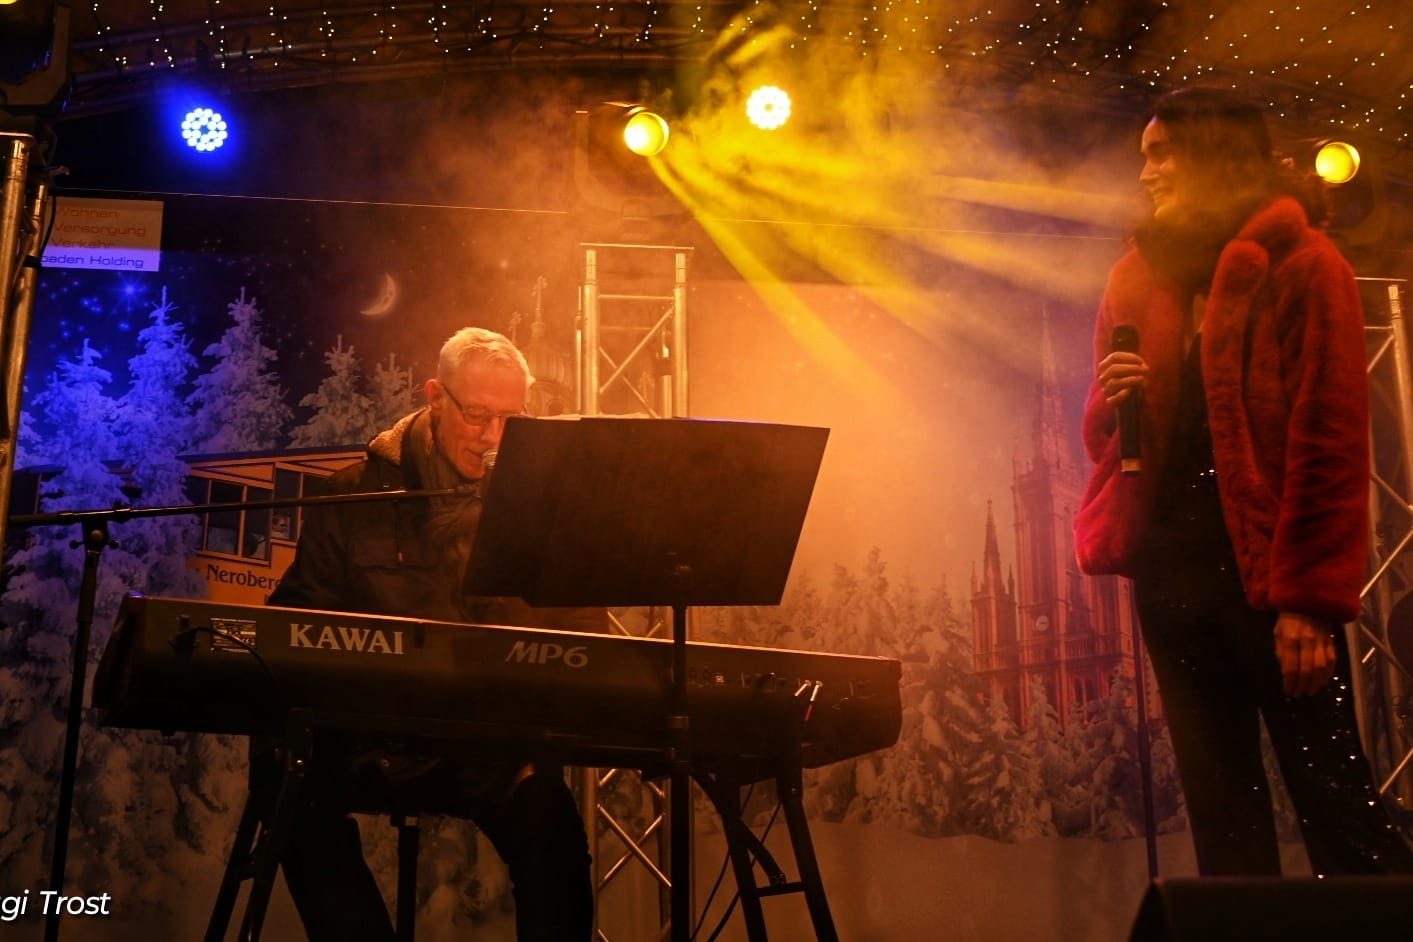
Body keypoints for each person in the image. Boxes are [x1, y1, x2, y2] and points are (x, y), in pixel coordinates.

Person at [1073, 86, 1413, 876]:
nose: (1146, 174)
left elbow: (1328, 441)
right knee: (1220, 813)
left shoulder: (1303, 264)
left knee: (1336, 804)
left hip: (1268, 582)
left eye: (1160, 154)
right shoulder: (1135, 277)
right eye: (1144, 157)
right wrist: (1110, 400)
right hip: (1171, 577)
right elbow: (1104, 441)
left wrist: (1307, 601)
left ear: (1212, 153)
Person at [262, 326, 599, 940]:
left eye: (511, 419)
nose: (493, 437)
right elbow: (299, 623)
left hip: (486, 745)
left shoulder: (537, 510)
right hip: (367, 741)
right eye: (477, 416)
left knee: (549, 821)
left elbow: (581, 634)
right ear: (436, 397)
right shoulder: (355, 496)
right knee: (289, 792)